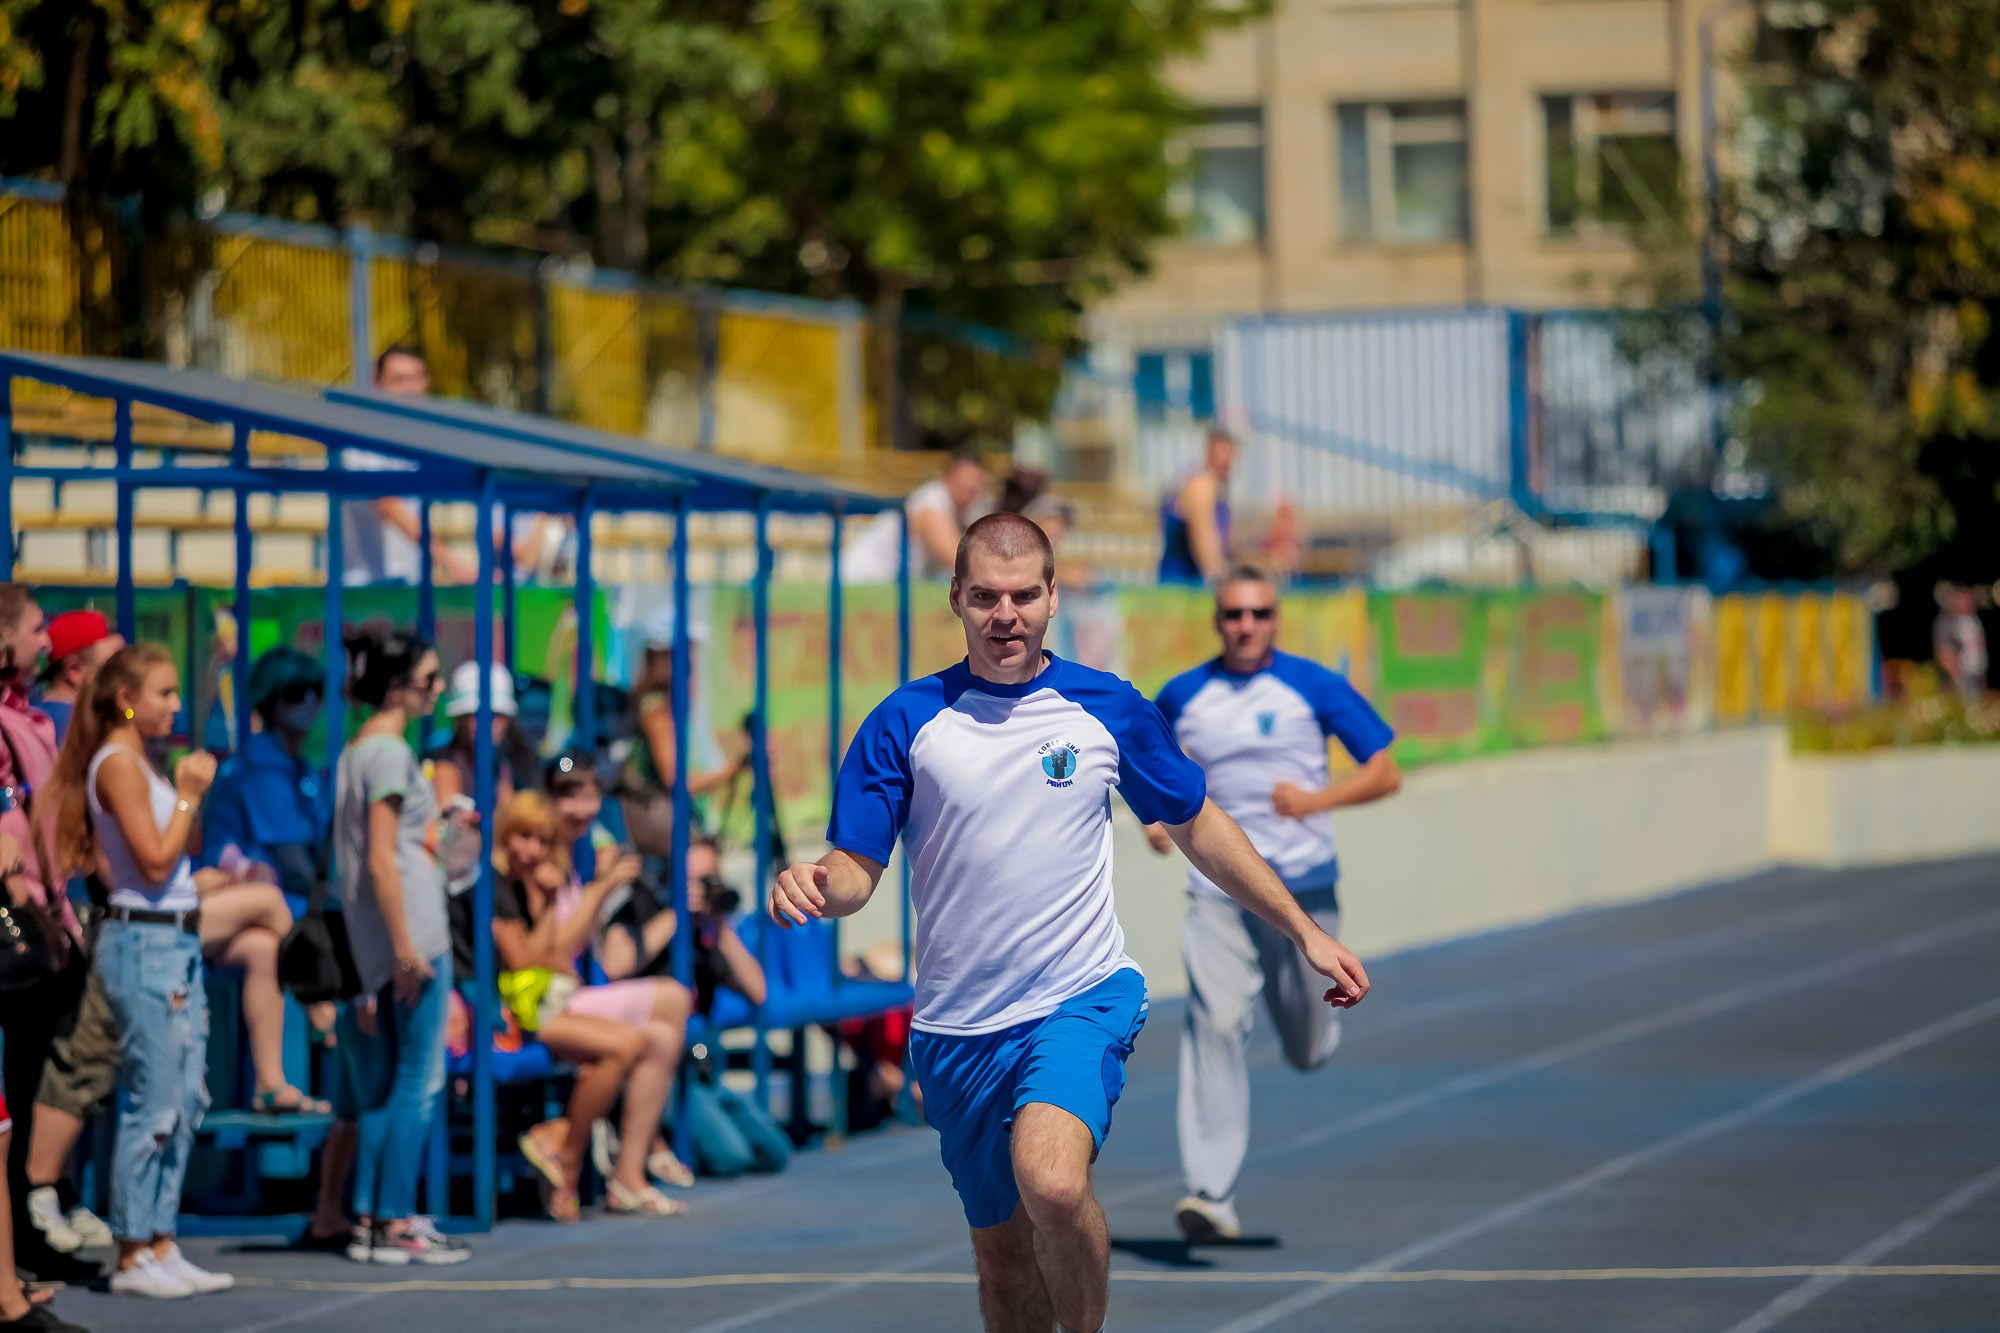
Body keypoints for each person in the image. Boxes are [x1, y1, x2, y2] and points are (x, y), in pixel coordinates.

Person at [770, 513, 1371, 1333]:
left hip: (1078, 998)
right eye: (985, 597)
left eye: (1023, 596)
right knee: (1003, 1261)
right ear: (955, 597)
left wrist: (1305, 931)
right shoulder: (905, 720)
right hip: (955, 1030)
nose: (1005, 615)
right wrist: (816, 883)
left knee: (1052, 1182)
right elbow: (855, 870)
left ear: (1054, 597)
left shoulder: (1106, 707)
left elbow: (1198, 823)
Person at [1144, 565, 1402, 1243]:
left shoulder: (1313, 686)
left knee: (1308, 1046)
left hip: (1301, 892)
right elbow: (1145, 765)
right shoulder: (1184, 694)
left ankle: (1314, 1033)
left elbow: (1385, 771)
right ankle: (1210, 1192)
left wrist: (1316, 800)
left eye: (1259, 613)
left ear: (1276, 619)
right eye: (1234, 614)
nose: (1246, 625)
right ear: (1217, 620)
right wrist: (1155, 822)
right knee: (1215, 1023)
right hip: (1218, 890)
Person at [41, 644, 233, 1298]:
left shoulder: (142, 761)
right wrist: (188, 796)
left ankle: (159, 1238)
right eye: (164, 693)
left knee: (185, 1095)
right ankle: (132, 1248)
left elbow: (177, 852)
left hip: (172, 937)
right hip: (144, 941)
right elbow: (153, 862)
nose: (175, 705)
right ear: (126, 699)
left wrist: (185, 799)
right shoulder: (117, 763)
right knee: (155, 1098)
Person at [332, 631, 469, 1265]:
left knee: (389, 1082)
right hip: (410, 930)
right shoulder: (387, 753)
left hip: (384, 933)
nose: (437, 690)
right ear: (397, 685)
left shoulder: (359, 751)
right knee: (418, 1078)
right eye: (429, 679)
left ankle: (372, 1215)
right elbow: (383, 860)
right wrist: (406, 947)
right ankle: (392, 1218)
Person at [536, 753, 697, 1213]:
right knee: (671, 999)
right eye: (569, 796)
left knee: (661, 1036)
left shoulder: (579, 855)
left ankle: (628, 1174)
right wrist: (603, 888)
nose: (582, 808)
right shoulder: (542, 860)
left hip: (569, 995)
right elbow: (557, 952)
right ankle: (572, 1144)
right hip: (542, 1002)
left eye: (590, 796)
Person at [481, 791, 646, 1222]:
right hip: (508, 1018)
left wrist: (551, 901)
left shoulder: (523, 881)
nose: (532, 850)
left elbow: (548, 950)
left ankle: (560, 1143)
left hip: (535, 1005)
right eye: (523, 837)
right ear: (504, 833)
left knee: (625, 1048)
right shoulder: (492, 883)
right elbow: (527, 958)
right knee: (623, 1047)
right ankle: (568, 1157)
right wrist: (553, 952)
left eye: (541, 840)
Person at [0, 585, 95, 1289]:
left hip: (45, 907)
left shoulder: (34, 714)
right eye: (37, 628)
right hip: (20, 911)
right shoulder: (31, 716)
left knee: (35, 1077)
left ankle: (30, 1229)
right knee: (21, 1087)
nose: (45, 638)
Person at [598, 836, 790, 1178]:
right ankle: (655, 1139)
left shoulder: (710, 932)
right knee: (731, 1158)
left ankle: (677, 1138)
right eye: (691, 880)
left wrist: (718, 925)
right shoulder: (642, 909)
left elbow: (758, 990)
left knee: (774, 1151)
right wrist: (677, 914)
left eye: (708, 879)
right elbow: (615, 964)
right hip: (662, 1071)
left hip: (702, 1070)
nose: (700, 889)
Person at [342, 346, 476, 587]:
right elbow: (389, 507)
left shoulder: (418, 444)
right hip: (366, 592)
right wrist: (453, 564)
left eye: (417, 377)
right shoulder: (360, 440)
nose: (411, 388)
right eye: (400, 380)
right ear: (377, 385)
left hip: (411, 587)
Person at [619, 609, 746, 859]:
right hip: (664, 829)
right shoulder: (656, 709)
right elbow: (675, 781)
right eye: (684, 650)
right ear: (661, 657)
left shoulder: (663, 704)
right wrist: (732, 769)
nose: (692, 657)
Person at [842, 449, 991, 583]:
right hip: (861, 579)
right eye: (964, 485)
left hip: (885, 583)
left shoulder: (962, 507)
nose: (970, 490)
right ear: (947, 478)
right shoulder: (931, 505)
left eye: (975, 485)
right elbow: (958, 560)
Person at [427, 661, 540, 813]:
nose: (489, 724)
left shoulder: (517, 764)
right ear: (459, 718)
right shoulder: (442, 765)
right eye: (476, 715)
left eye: (498, 715)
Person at [1158, 426, 1236, 584]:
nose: (1228, 462)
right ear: (1210, 452)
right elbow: (1204, 541)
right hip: (1184, 586)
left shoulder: (1215, 490)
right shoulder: (1201, 486)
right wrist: (1219, 582)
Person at [35, 611, 121, 747]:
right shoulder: (85, 721)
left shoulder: (30, 713)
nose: (118, 676)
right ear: (74, 670)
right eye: (109, 666)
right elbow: (131, 716)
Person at [1933, 584, 1988, 703]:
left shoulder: (1974, 620)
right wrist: (1958, 679)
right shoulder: (1946, 622)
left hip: (1976, 676)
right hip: (1959, 680)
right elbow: (1944, 653)